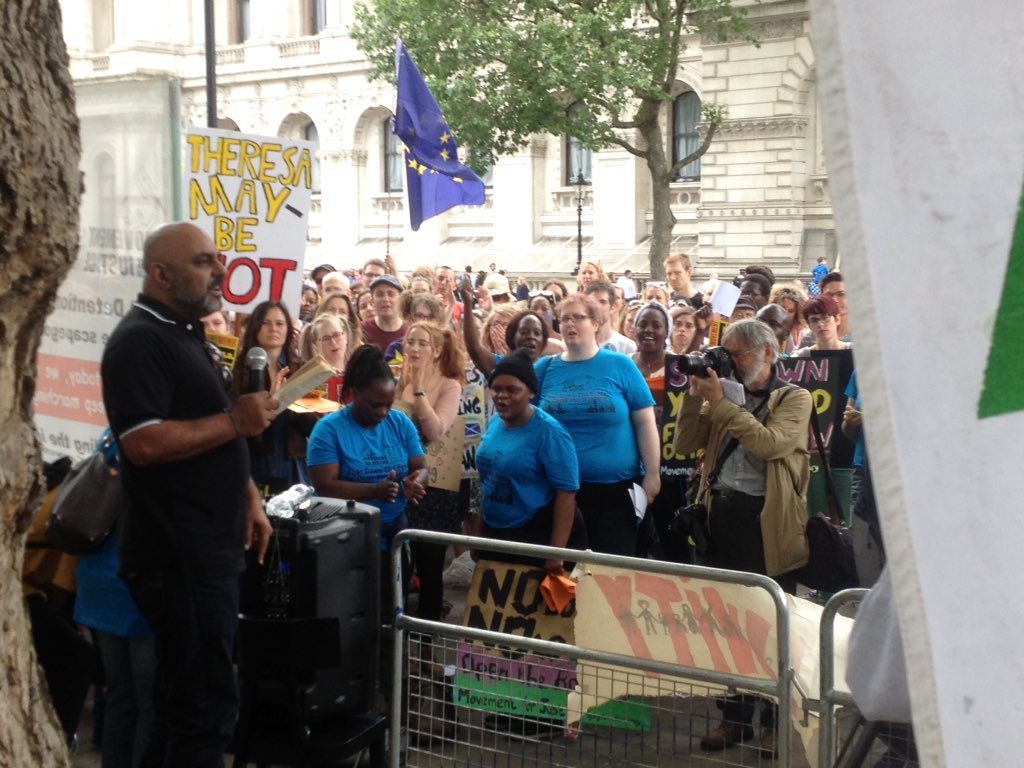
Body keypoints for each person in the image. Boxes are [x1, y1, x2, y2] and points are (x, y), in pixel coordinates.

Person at [101, 222, 276, 768]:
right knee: (205, 714)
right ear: (161, 274)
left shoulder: (185, 331)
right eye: (203, 261)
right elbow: (144, 443)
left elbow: (212, 429)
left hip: (208, 548)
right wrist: (234, 422)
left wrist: (247, 494)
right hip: (179, 558)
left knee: (182, 705)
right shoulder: (139, 341)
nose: (221, 270)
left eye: (217, 258)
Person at [673, 318, 811, 758]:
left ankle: (774, 721)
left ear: (768, 353)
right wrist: (697, 399)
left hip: (767, 523)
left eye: (738, 354)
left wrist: (723, 405)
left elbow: (770, 445)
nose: (728, 362)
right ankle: (733, 718)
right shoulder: (723, 395)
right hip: (722, 517)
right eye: (724, 354)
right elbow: (684, 444)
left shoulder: (794, 397)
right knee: (726, 625)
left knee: (771, 628)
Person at [537, 293, 660, 556]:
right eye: (564, 319)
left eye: (578, 318)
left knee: (611, 573)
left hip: (616, 493)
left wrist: (652, 474)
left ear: (595, 323)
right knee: (564, 571)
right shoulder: (544, 369)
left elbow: (645, 422)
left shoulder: (621, 365)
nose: (570, 324)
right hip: (559, 491)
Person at [307, 345, 428, 608]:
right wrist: (374, 491)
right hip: (343, 539)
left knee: (393, 609)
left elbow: (421, 466)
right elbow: (325, 486)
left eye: (388, 405)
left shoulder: (400, 422)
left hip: (394, 533)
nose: (383, 412)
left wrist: (415, 483)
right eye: (375, 404)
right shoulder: (328, 430)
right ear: (353, 393)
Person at [476, 349, 584, 570]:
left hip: (533, 533)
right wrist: (479, 532)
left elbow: (567, 494)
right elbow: (487, 479)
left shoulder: (550, 433)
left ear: (531, 392)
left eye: (512, 390)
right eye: (496, 389)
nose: (502, 396)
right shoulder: (496, 421)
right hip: (494, 530)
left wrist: (555, 554)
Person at [396, 322, 466, 622]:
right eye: (410, 341)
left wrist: (421, 389)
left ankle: (428, 636)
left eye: (422, 343)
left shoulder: (451, 384)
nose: (413, 348)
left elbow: (436, 430)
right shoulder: (399, 377)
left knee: (430, 565)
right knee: (400, 563)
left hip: (435, 485)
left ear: (436, 350)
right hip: (402, 479)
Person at [233, 300, 310, 497]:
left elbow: (311, 423)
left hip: (291, 456)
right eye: (266, 323)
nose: (273, 329)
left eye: (279, 323)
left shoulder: (299, 368)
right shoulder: (240, 368)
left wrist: (289, 400)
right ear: (255, 327)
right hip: (254, 455)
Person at [585, 280, 637, 354]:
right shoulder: (576, 345)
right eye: (593, 302)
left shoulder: (627, 346)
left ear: (613, 307)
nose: (597, 306)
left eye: (602, 302)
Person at [361, 274, 407, 350]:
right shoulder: (362, 330)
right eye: (379, 294)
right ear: (372, 301)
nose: (385, 299)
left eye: (391, 294)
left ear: (400, 298)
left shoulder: (409, 331)